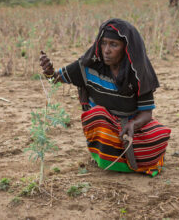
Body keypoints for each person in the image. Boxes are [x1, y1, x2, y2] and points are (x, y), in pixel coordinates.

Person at [39, 18, 171, 177]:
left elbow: (146, 114)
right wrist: (48, 72)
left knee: (159, 135)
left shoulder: (138, 73)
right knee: (97, 115)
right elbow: (55, 79)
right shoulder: (88, 66)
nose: (106, 50)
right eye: (103, 43)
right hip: (104, 126)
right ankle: (108, 159)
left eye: (114, 45)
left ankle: (119, 159)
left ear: (126, 48)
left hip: (130, 126)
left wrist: (133, 125)